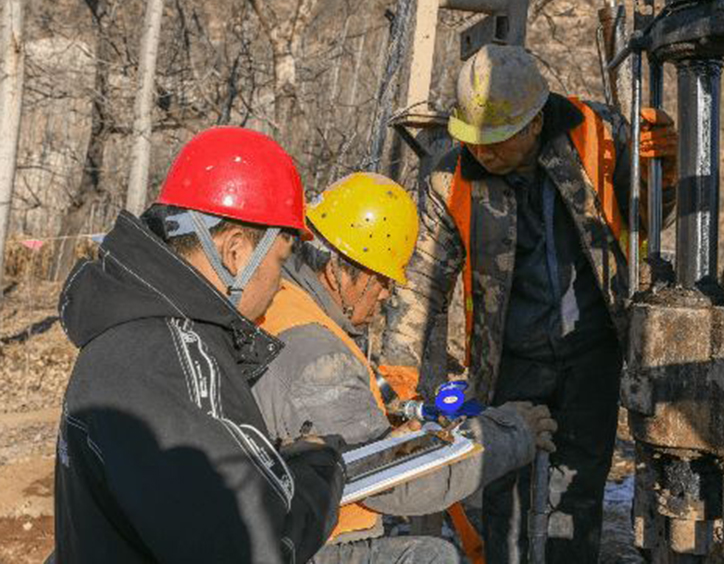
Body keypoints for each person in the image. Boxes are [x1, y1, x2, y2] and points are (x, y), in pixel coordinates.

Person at [380, 44, 679, 563]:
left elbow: (651, 218)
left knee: (578, 493)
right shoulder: (448, 178)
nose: (483, 154)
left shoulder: (598, 133)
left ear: (535, 122)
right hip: (509, 360)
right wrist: (403, 379)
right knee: (504, 490)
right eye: (474, 141)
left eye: (495, 142)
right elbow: (421, 284)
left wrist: (662, 174)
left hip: (592, 351)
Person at [54, 127, 345, 564]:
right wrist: (318, 471)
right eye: (280, 263)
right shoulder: (169, 365)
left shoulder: (138, 334)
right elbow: (252, 548)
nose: (279, 284)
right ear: (236, 252)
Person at [251, 172, 558, 564]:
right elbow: (402, 487)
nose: (384, 296)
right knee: (434, 558)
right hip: (301, 543)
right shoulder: (319, 354)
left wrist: (390, 435)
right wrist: (513, 432)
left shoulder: (280, 298)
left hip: (271, 523)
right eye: (381, 280)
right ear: (340, 269)